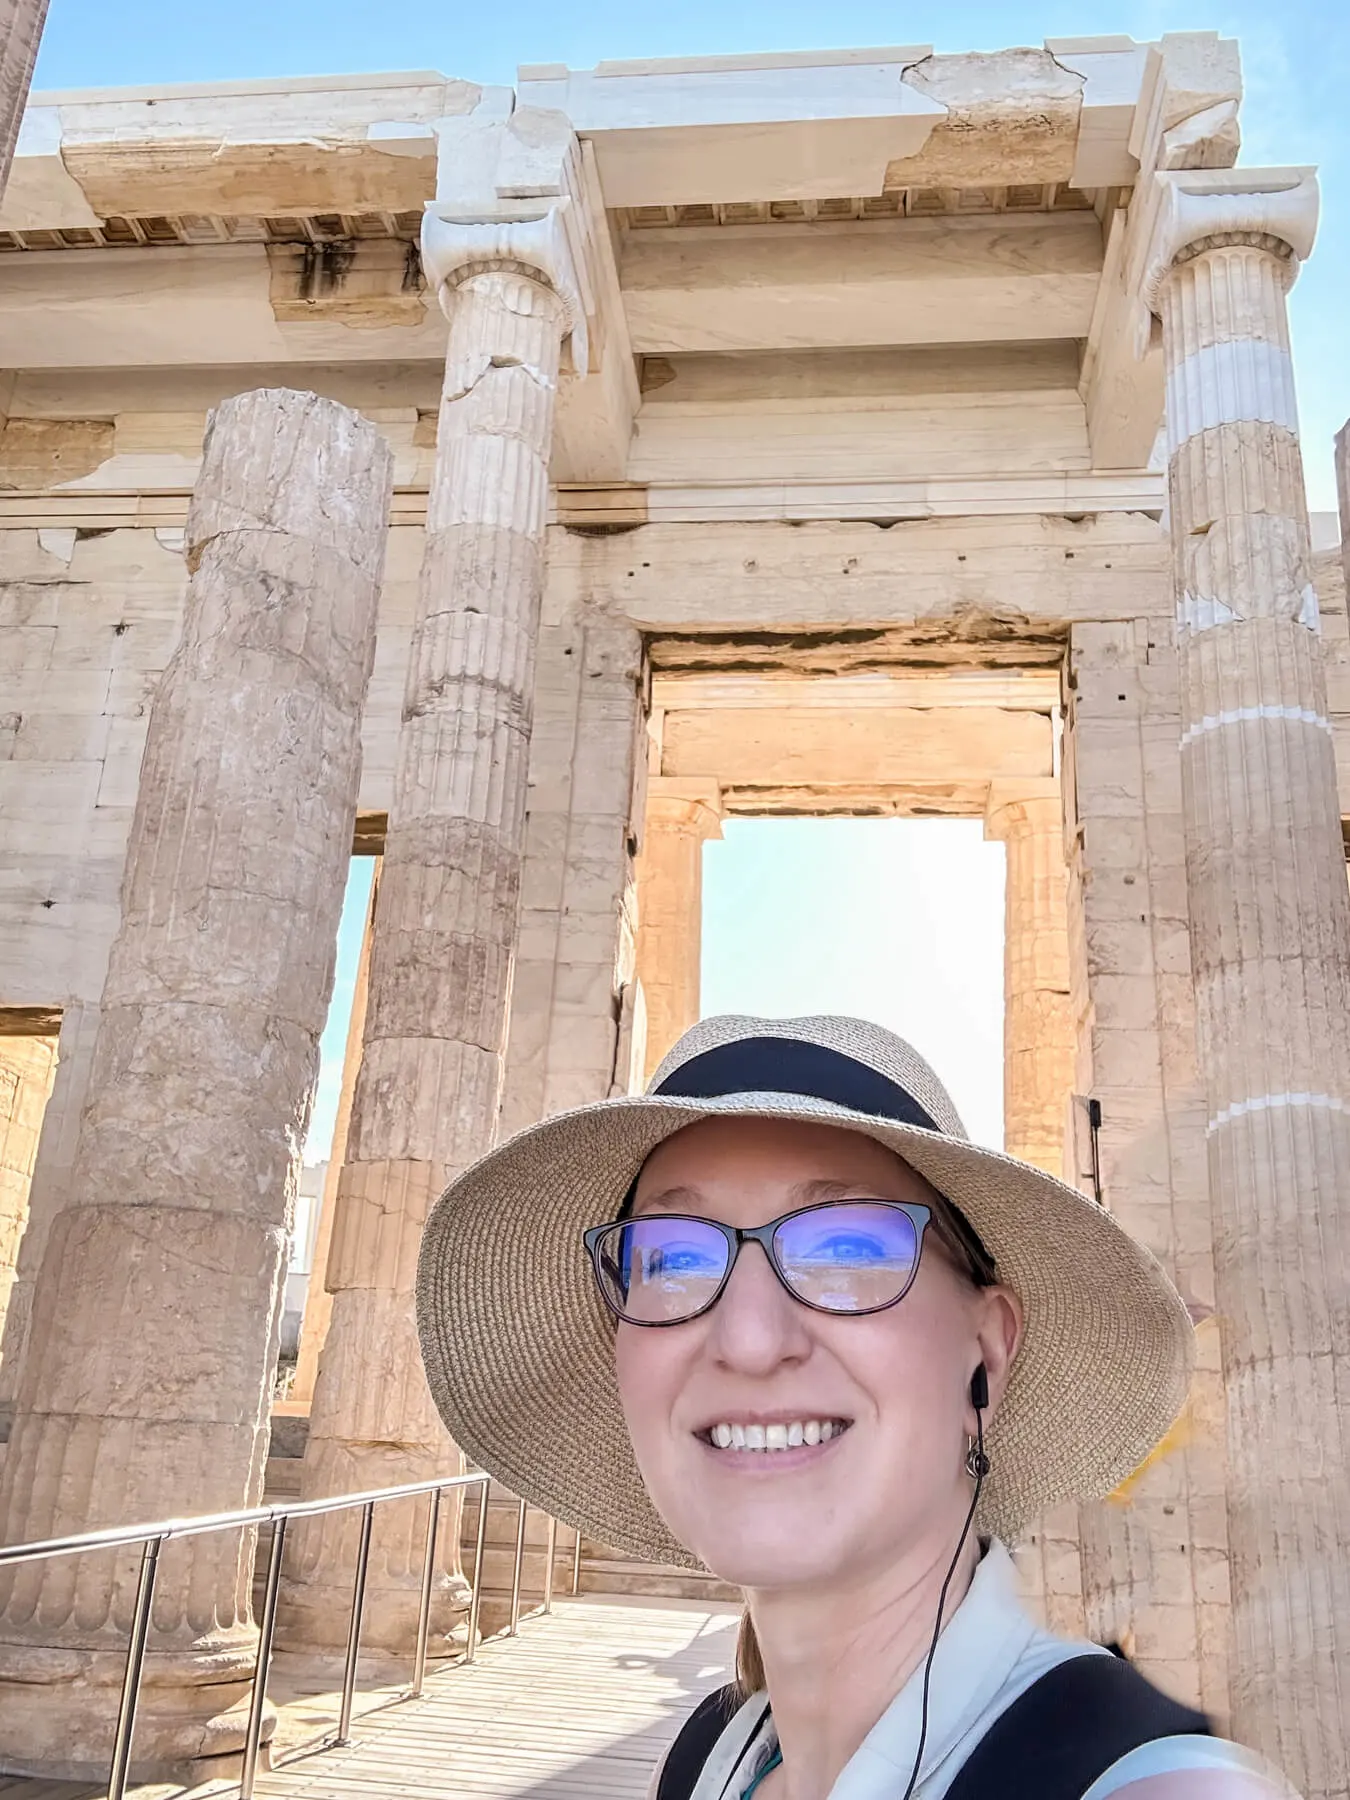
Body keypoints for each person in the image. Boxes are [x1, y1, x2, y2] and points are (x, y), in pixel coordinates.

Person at [415, 1014, 1292, 1799]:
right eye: (673, 1259)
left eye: (845, 1245)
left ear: (986, 1350)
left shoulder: (1168, 1785)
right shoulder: (705, 1761)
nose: (750, 1340)